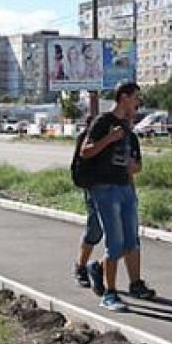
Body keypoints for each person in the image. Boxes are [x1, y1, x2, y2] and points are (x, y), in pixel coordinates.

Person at [80, 82, 155, 311]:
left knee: (132, 240)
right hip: (104, 189)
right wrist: (109, 140)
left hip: (126, 189)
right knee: (115, 242)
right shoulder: (103, 122)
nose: (137, 102)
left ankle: (135, 284)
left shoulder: (129, 131)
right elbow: (86, 151)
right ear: (123, 98)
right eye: (135, 98)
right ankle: (109, 294)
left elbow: (137, 164)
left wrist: (134, 167)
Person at [72, 115, 103, 287]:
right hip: (94, 188)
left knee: (123, 237)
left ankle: (99, 268)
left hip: (116, 189)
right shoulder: (86, 140)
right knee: (95, 229)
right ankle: (81, 266)